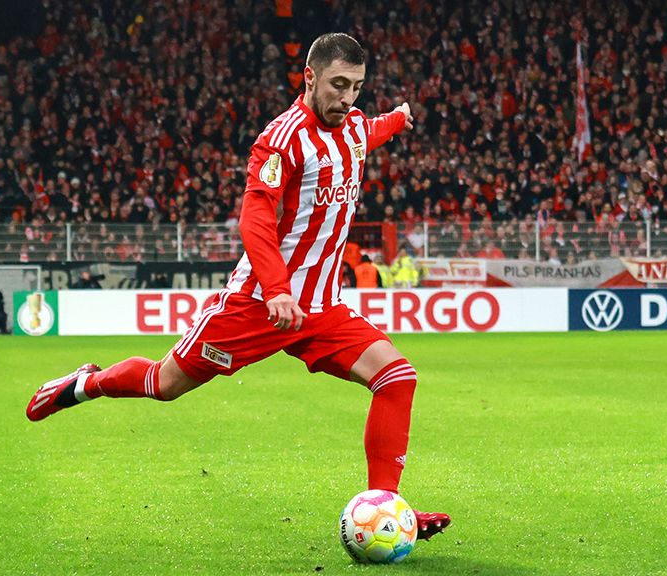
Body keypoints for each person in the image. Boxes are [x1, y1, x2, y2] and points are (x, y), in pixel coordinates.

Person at [26, 33, 450, 541]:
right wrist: (276, 289)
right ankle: (83, 384)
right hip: (259, 305)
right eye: (338, 85)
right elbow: (254, 216)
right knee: (165, 384)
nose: (347, 98)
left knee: (397, 378)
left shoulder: (355, 126)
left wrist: (399, 118)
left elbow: (369, 131)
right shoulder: (281, 138)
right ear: (309, 78)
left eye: (357, 87)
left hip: (321, 309)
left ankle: (386, 508)